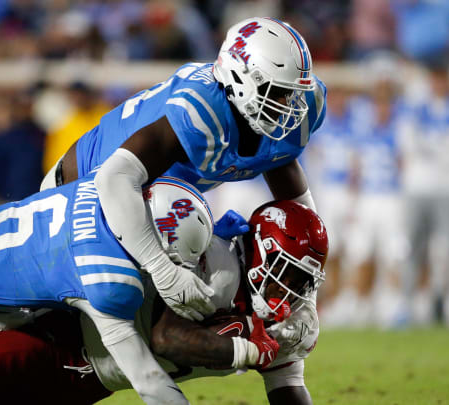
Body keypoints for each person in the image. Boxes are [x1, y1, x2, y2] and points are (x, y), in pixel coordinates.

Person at [0, 200, 327, 405]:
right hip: (65, 331)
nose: (290, 292)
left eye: (303, 280)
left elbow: (288, 386)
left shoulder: (288, 321)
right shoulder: (211, 263)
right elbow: (167, 337)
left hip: (93, 380)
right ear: (255, 254)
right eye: (285, 274)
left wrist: (274, 357)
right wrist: (247, 352)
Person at [40, 17, 327, 324]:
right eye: (278, 92)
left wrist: (304, 281)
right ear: (241, 78)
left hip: (148, 197)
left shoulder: (295, 112)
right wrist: (162, 270)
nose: (289, 106)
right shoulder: (200, 110)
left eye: (292, 93)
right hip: (80, 193)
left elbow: (282, 169)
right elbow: (115, 179)